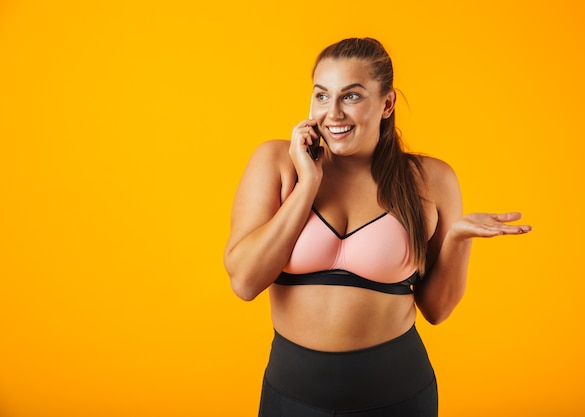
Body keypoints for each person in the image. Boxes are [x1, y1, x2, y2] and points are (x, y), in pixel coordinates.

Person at [223, 37, 531, 417]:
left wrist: (457, 240)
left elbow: (435, 310)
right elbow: (245, 282)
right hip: (291, 398)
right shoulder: (276, 162)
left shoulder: (431, 179)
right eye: (321, 96)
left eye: (351, 97)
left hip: (399, 398)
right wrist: (308, 185)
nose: (332, 113)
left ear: (386, 104)